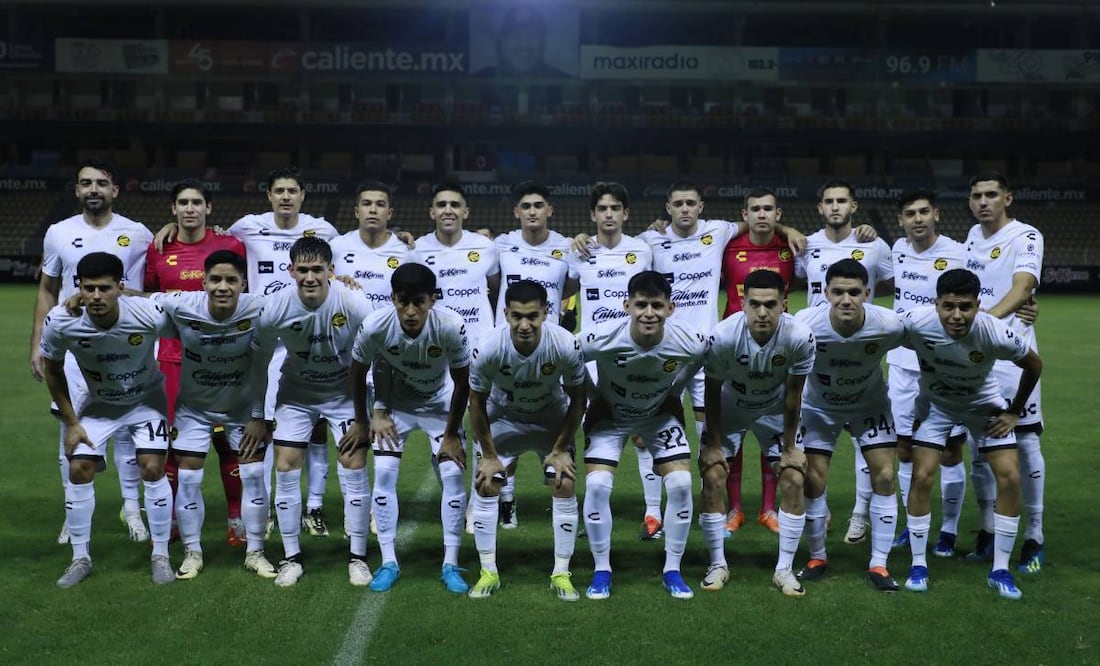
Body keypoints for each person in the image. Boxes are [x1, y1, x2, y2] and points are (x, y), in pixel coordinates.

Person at [899, 268, 1042, 599]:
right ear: (936, 304)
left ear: (978, 304)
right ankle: (918, 565)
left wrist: (1013, 411)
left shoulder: (993, 330)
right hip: (937, 406)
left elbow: (1034, 365)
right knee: (921, 476)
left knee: (1009, 477)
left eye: (965, 307)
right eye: (948, 306)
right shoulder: (917, 322)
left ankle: (1000, 570)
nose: (956, 316)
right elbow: (880, 334)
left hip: (983, 406)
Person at [31, 160, 153, 545]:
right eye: (86, 183)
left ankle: (132, 509)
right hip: (74, 349)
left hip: (127, 348)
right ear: (77, 190)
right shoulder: (59, 233)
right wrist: (38, 343)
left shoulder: (138, 233)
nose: (94, 189)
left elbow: (153, 286)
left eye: (102, 182)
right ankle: (74, 511)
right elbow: (47, 290)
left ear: (115, 190)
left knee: (132, 433)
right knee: (71, 427)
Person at [40, 252, 175, 587]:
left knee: (152, 467)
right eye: (89, 288)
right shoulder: (61, 320)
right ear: (78, 288)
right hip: (100, 403)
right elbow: (52, 370)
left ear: (120, 287)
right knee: (79, 468)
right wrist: (72, 423)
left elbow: (184, 314)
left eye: (105, 288)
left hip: (146, 400)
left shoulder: (146, 313)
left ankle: (161, 555)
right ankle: (80, 558)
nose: (96, 296)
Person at [248, 237, 376, 587]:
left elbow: (377, 358)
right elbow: (258, 364)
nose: (309, 277)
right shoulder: (274, 308)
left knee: (354, 464)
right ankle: (292, 558)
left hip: (344, 394)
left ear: (331, 271)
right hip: (297, 395)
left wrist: (370, 414)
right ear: (290, 271)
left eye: (317, 269)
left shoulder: (353, 302)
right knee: (286, 465)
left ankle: (358, 558)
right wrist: (259, 416)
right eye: (302, 270)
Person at [342, 262, 472, 594]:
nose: (411, 311)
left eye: (419, 302)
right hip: (396, 407)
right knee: (384, 475)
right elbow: (357, 373)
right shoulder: (375, 326)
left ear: (432, 299)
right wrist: (367, 418)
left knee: (454, 477)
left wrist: (453, 434)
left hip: (440, 406)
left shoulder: (450, 326)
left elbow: (462, 384)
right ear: (393, 299)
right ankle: (388, 562)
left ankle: (450, 564)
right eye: (403, 301)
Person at [579, 270, 707, 600]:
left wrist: (673, 392)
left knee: (680, 484)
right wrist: (594, 395)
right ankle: (602, 570)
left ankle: (673, 570)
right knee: (596, 485)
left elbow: (697, 364)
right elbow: (570, 357)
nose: (648, 313)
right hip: (611, 414)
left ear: (670, 308)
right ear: (626, 305)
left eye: (656, 305)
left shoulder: (688, 341)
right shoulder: (603, 337)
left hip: (658, 415)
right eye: (640, 305)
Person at [147, 250, 268, 579]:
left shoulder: (259, 307)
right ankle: (192, 552)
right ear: (203, 282)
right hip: (194, 411)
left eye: (231, 280)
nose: (223, 287)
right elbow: (137, 301)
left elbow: (299, 300)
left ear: (244, 283)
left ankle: (255, 551)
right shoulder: (182, 305)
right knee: (188, 479)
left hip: (242, 410)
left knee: (255, 476)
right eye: (215, 279)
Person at [466, 279, 586, 599]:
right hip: (505, 418)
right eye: (517, 316)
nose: (524, 325)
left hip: (550, 416)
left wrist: (560, 449)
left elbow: (578, 400)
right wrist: (489, 456)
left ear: (546, 313)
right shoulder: (488, 347)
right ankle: (488, 571)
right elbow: (475, 403)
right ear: (505, 314)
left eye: (532, 316)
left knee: (563, 480)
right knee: (487, 482)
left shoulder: (564, 344)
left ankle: (561, 573)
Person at [144, 179, 248, 547]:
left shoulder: (230, 245)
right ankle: (174, 519)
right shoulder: (157, 249)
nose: (190, 208)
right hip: (173, 359)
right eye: (183, 203)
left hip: (223, 358)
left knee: (229, 443)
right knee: (175, 444)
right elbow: (150, 300)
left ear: (209, 208)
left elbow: (242, 295)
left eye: (197, 202)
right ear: (172, 209)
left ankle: (236, 518)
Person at [699, 270, 815, 596]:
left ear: (784, 304)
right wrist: (715, 445)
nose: (762, 313)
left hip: (774, 411)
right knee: (712, 476)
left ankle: (784, 569)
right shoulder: (723, 336)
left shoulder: (799, 336)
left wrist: (790, 446)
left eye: (770, 304)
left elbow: (795, 394)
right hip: (731, 409)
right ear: (742, 303)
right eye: (754, 304)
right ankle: (717, 564)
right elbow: (711, 391)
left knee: (794, 477)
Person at [792, 259, 903, 592]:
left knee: (884, 475)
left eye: (854, 292)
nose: (846, 300)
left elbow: (929, 334)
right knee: (813, 479)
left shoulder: (889, 324)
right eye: (838, 292)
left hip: (868, 406)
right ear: (825, 293)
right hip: (819, 408)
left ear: (867, 293)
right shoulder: (805, 324)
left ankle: (879, 564)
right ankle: (817, 557)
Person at [795, 179, 894, 547]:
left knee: (866, 446)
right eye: (829, 202)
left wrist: (857, 308)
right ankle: (823, 520)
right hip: (819, 350)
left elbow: (890, 283)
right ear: (820, 207)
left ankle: (860, 513)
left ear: (854, 206)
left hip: (859, 345)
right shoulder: (805, 245)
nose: (835, 207)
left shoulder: (874, 244)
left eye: (842, 201)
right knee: (819, 453)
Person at [567, 182, 664, 541]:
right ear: (593, 215)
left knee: (641, 435)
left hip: (636, 355)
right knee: (595, 433)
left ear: (626, 213)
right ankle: (594, 513)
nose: (609, 214)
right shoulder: (577, 252)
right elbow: (563, 289)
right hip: (593, 359)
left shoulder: (642, 249)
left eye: (615, 208)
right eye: (602, 209)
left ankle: (653, 514)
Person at [963, 172, 1046, 573]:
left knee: (1025, 442)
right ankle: (988, 531)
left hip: (1012, 356)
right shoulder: (971, 237)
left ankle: (1035, 535)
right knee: (979, 450)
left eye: (991, 195)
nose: (983, 201)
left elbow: (1023, 286)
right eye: (976, 195)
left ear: (1007, 198)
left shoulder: (1026, 236)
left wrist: (985, 323)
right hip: (976, 359)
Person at [885, 189, 969, 556]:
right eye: (909, 214)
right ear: (901, 221)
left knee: (950, 451)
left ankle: (948, 530)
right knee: (904, 448)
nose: (917, 219)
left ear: (937, 214)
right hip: (903, 366)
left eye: (923, 212)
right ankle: (909, 524)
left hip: (947, 366)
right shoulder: (897, 250)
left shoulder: (959, 252)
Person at [491, 180, 578, 527]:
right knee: (506, 420)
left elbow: (570, 287)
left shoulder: (567, 247)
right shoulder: (500, 245)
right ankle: (506, 500)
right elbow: (493, 285)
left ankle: (565, 500)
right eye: (525, 206)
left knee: (550, 417)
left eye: (538, 205)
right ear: (517, 212)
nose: (532, 212)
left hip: (550, 351)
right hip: (508, 348)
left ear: (549, 210)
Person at [719, 187, 798, 535]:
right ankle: (734, 509)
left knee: (772, 431)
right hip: (735, 348)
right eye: (756, 209)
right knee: (732, 436)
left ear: (778, 214)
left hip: (776, 347)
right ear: (745, 214)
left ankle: (768, 509)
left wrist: (789, 232)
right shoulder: (728, 246)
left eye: (769, 209)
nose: (762, 214)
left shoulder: (792, 247)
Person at [410, 182, 500, 346]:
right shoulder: (417, 250)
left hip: (480, 344)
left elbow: (497, 290)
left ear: (465, 212)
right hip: (436, 344)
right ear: (432, 212)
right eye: (441, 205)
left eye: (455, 205)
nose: (448, 210)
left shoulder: (486, 247)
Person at [331, 181, 411, 306]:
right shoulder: (336, 247)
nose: (373, 210)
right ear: (357, 212)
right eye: (366, 204)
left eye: (380, 204)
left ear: (389, 213)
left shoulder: (406, 251)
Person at [474, 6, 570, 77]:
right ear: (502, 42)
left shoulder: (567, 83)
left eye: (532, 36)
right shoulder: (476, 82)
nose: (524, 44)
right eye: (516, 37)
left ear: (544, 42)